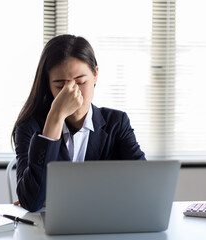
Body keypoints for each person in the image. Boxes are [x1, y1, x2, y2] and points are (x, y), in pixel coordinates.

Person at [12, 34, 146, 212]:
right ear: (47, 84)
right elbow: (32, 200)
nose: (72, 93)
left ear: (95, 75)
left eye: (81, 82)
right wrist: (55, 117)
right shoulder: (30, 126)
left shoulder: (117, 123)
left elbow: (143, 187)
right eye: (60, 86)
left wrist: (61, 198)